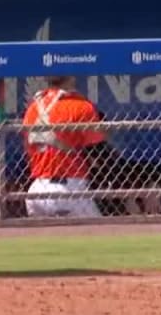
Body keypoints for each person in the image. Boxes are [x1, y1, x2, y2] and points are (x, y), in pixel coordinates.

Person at [21, 76, 107, 218]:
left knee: (45, 239)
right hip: (69, 187)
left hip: (36, 189)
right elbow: (98, 151)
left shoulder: (33, 107)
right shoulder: (80, 105)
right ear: (72, 78)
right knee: (98, 234)